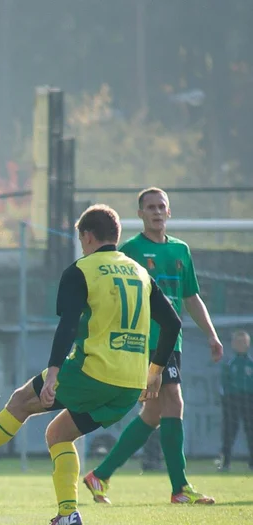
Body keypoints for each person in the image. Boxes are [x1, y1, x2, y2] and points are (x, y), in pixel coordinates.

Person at [0, 204, 182, 525]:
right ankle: (67, 515)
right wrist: (155, 371)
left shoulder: (82, 270)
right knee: (59, 434)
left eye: (81, 239)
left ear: (87, 236)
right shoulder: (140, 273)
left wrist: (54, 371)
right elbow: (172, 322)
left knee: (19, 403)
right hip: (130, 385)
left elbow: (68, 325)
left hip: (92, 372)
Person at [82, 188, 223, 505]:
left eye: (162, 206)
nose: (157, 211)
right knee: (174, 401)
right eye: (150, 207)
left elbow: (190, 297)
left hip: (174, 340)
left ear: (169, 212)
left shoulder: (181, 251)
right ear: (140, 214)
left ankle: (100, 475)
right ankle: (180, 488)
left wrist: (212, 335)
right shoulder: (131, 250)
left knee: (154, 413)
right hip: (145, 341)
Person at [219, 330, 253, 472]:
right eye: (238, 342)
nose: (241, 345)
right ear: (233, 344)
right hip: (232, 400)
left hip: (249, 399)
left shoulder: (251, 363)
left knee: (250, 431)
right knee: (229, 431)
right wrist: (226, 399)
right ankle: (225, 463)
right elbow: (223, 384)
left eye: (244, 342)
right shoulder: (229, 363)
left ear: (248, 344)